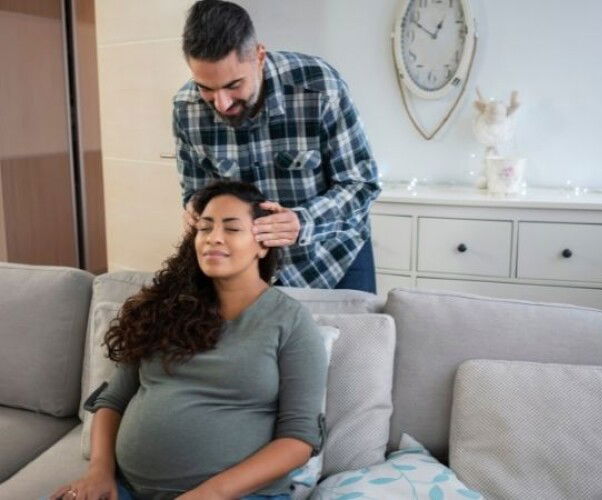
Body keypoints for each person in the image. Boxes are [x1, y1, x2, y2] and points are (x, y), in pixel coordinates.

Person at [50, 181, 327, 500]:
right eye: (204, 228)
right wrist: (99, 472)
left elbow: (298, 440)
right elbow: (112, 400)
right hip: (125, 489)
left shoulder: (291, 322)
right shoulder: (164, 308)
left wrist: (209, 494)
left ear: (263, 245)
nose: (213, 238)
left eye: (232, 228)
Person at [173, 0, 381, 293]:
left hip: (333, 259)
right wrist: (195, 209)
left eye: (233, 85)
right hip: (248, 271)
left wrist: (302, 221)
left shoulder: (320, 87)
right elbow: (195, 193)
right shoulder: (186, 109)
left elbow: (361, 184)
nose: (221, 104)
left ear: (259, 56)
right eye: (206, 88)